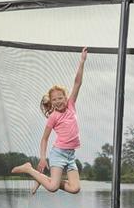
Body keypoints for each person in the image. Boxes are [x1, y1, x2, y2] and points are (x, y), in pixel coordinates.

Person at [11, 47, 88, 194]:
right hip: (58, 153)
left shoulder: (71, 105)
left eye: (60, 98)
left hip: (71, 155)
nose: (58, 101)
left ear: (66, 98)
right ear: (51, 103)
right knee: (52, 187)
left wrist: (82, 61)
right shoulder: (53, 117)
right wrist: (42, 158)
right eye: (54, 100)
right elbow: (44, 139)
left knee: (75, 188)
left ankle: (44, 179)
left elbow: (77, 82)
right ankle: (29, 169)